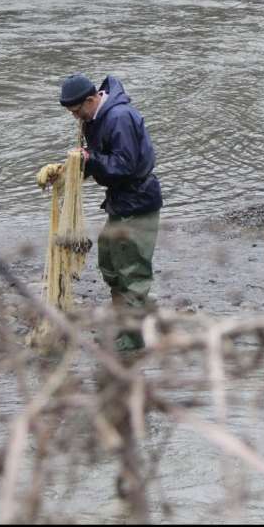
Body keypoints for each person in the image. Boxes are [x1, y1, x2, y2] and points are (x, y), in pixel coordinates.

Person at [59, 72, 163, 352]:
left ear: (92, 99)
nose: (75, 117)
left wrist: (90, 160)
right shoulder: (96, 117)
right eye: (71, 112)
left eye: (77, 110)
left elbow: (124, 165)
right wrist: (65, 170)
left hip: (137, 201)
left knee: (132, 271)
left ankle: (132, 341)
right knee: (110, 262)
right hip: (121, 201)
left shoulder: (118, 118)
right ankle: (125, 323)